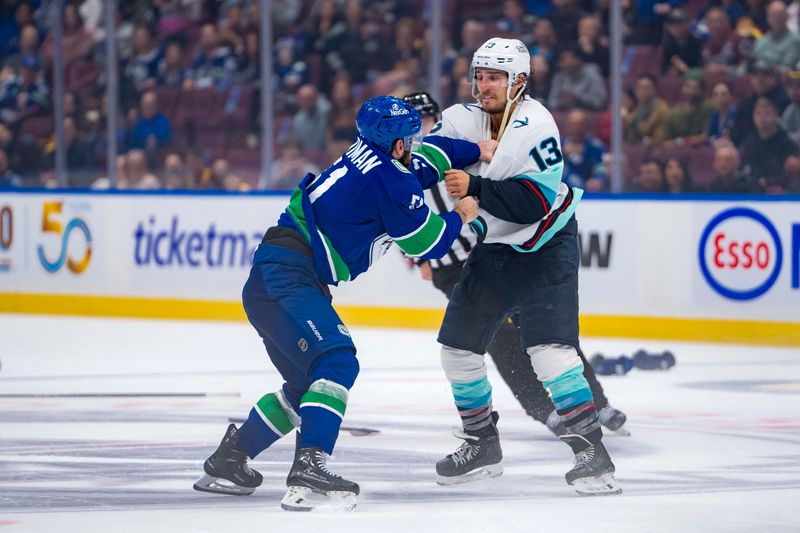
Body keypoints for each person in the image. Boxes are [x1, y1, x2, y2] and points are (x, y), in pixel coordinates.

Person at [193, 95, 495, 511]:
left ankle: (232, 456)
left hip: (278, 275)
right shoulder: (390, 180)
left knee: (306, 388)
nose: (417, 142)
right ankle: (311, 463)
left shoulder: (376, 156)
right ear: (397, 144)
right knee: (337, 362)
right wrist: (467, 215)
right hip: (288, 277)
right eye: (411, 137)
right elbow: (428, 242)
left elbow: (432, 158)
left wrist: (478, 150)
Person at [431, 38, 621, 496]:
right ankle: (481, 442)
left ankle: (593, 453)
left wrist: (473, 182)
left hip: (547, 246)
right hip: (495, 249)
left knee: (550, 354)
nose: (483, 85)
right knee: (456, 350)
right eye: (479, 75)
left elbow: (534, 203)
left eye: (493, 76)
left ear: (518, 81)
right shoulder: (461, 118)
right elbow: (429, 158)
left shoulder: (538, 125)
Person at [403, 91, 628, 440]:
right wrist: (418, 256)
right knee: (499, 338)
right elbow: (403, 220)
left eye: (428, 121)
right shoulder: (405, 167)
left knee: (545, 324)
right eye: (415, 124)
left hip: (488, 250)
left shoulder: (454, 146)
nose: (422, 131)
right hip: (451, 268)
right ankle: (542, 409)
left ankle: (596, 402)